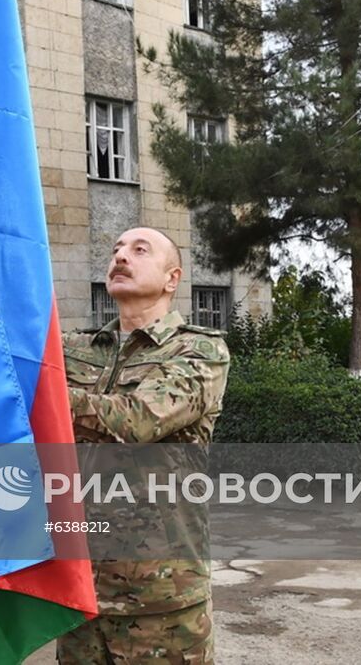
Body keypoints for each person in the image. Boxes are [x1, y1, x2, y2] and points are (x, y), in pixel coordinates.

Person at [57, 227, 231, 664]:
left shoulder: (199, 350)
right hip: (79, 590)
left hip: (160, 598)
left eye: (139, 250)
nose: (120, 257)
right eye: (116, 249)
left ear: (172, 278)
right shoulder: (75, 350)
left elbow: (137, 420)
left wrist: (45, 396)